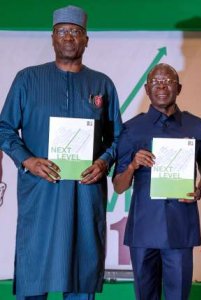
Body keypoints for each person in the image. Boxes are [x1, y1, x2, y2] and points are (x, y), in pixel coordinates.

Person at [0, 5, 122, 300]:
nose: (69, 37)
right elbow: (5, 129)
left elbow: (118, 137)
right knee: (34, 270)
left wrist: (104, 163)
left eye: (76, 32)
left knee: (81, 270)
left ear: (86, 40)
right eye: (62, 31)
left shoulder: (102, 84)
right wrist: (28, 160)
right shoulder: (27, 79)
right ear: (53, 38)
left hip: (85, 193)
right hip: (40, 192)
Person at [112, 63, 201, 300]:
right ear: (147, 89)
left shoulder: (196, 127)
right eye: (156, 82)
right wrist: (133, 165)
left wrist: (198, 192)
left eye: (168, 82)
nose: (162, 86)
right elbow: (118, 186)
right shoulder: (132, 129)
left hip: (180, 228)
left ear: (179, 88)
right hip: (144, 230)